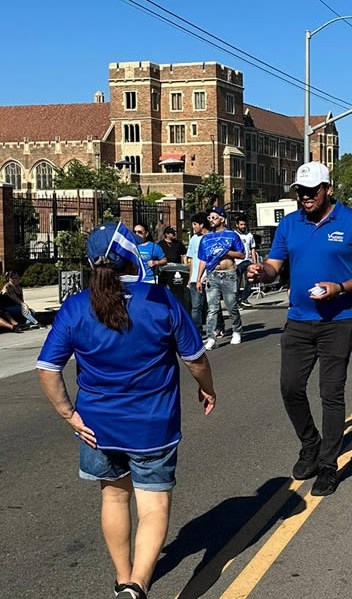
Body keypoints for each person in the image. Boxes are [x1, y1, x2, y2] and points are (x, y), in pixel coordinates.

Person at [36, 222, 215, 599]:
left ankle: (121, 578)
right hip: (153, 424)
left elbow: (48, 368)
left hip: (97, 424)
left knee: (113, 497)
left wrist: (69, 414)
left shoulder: (75, 307)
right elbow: (194, 358)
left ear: (90, 260)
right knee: (153, 505)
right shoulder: (159, 299)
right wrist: (206, 388)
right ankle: (138, 583)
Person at [246, 162, 352, 496]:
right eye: (300, 191)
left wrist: (341, 287)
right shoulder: (289, 224)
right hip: (298, 319)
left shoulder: (351, 222)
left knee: (331, 394)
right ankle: (310, 445)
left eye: (312, 191)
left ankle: (327, 465)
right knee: (290, 387)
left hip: (339, 319)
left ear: (328, 188)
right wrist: (260, 273)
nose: (305, 197)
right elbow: (274, 266)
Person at [196, 207, 245, 350]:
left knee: (231, 306)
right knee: (212, 308)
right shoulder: (205, 239)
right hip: (213, 275)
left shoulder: (232, 235)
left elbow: (242, 254)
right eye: (209, 218)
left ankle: (237, 330)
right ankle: (211, 337)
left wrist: (227, 252)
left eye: (214, 217)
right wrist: (198, 278)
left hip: (228, 273)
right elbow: (203, 260)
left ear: (222, 218)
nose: (211, 220)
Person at [186, 212, 210, 336]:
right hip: (196, 278)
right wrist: (191, 278)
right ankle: (197, 331)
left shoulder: (211, 237)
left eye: (195, 224)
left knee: (212, 306)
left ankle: (218, 328)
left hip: (210, 277)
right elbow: (191, 260)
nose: (193, 227)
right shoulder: (193, 239)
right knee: (196, 306)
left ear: (202, 224)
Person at [233, 217, 257, 308]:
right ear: (237, 225)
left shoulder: (249, 235)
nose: (243, 226)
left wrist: (254, 260)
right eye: (241, 224)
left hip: (248, 260)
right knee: (237, 282)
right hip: (238, 262)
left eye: (244, 224)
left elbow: (253, 248)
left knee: (250, 280)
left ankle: (244, 298)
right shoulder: (234, 235)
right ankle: (237, 300)